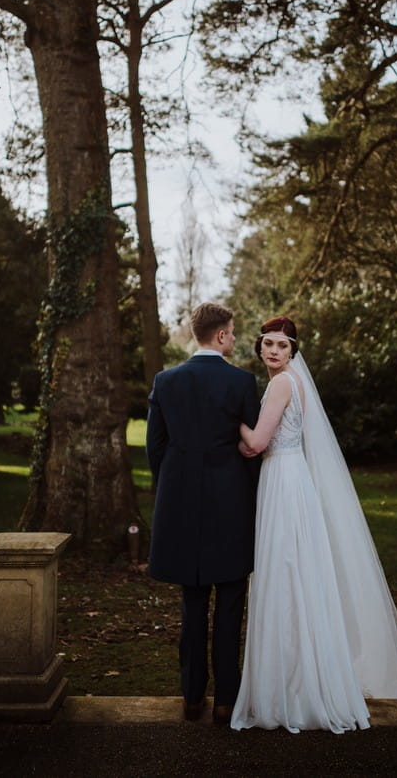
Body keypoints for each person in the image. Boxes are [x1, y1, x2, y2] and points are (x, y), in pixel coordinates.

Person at [231, 316, 397, 734]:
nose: (273, 351)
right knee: (297, 571)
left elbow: (259, 442)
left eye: (282, 345)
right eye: (268, 344)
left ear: (293, 352)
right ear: (260, 347)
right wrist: (255, 444)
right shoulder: (290, 382)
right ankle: (302, 670)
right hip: (289, 476)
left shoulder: (281, 384)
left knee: (285, 570)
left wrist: (234, 423)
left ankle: (292, 683)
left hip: (283, 481)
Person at [146, 302, 260, 725]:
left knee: (192, 602)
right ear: (222, 335)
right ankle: (226, 701)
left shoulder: (166, 381)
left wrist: (173, 486)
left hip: (182, 508)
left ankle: (191, 697)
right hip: (230, 505)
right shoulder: (242, 382)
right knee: (230, 603)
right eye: (231, 331)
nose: (232, 336)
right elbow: (251, 451)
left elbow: (155, 446)